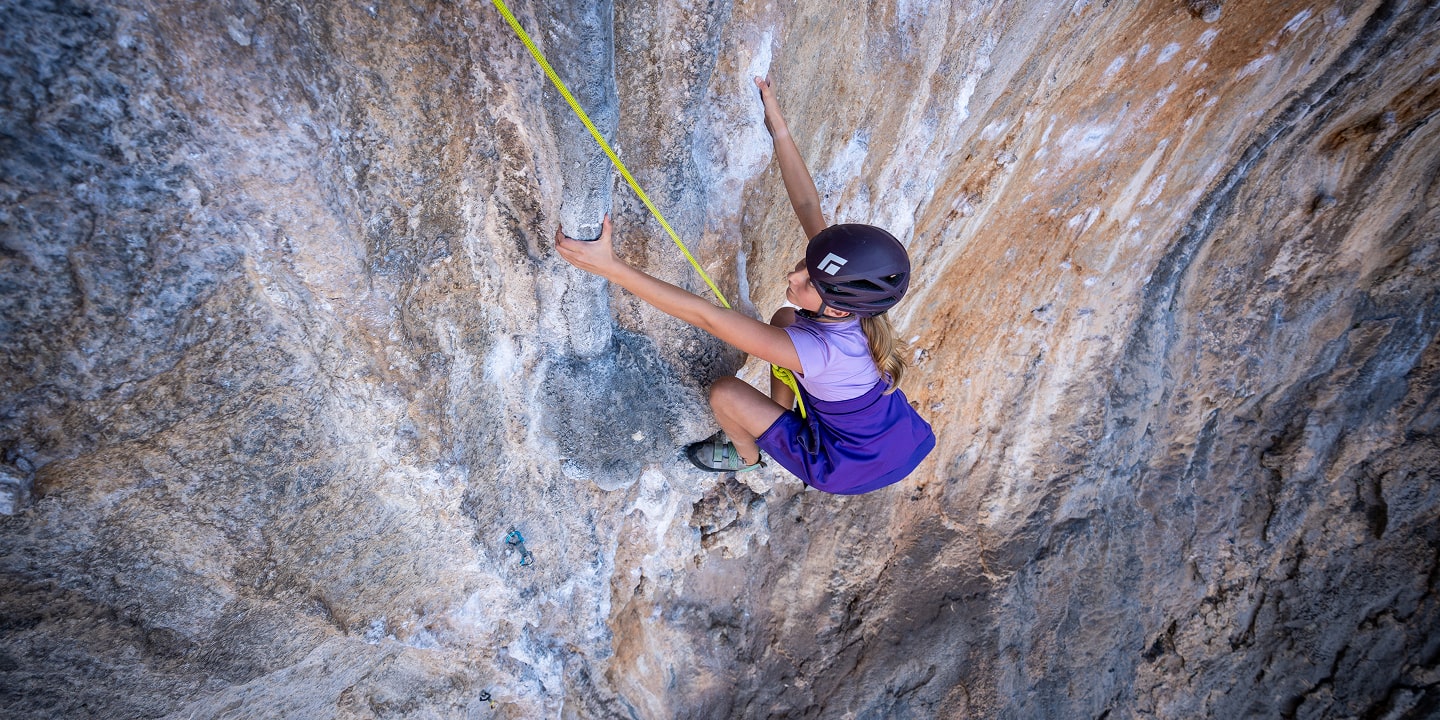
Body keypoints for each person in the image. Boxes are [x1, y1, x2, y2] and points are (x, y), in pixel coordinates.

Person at [555, 77, 935, 494]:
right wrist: (780, 129)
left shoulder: (818, 350)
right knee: (786, 317)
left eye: (808, 281)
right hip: (890, 438)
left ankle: (748, 457)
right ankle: (778, 413)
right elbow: (809, 206)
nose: (794, 276)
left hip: (844, 464)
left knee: (726, 395)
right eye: (804, 266)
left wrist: (611, 268)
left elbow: (708, 317)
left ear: (840, 309)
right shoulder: (849, 295)